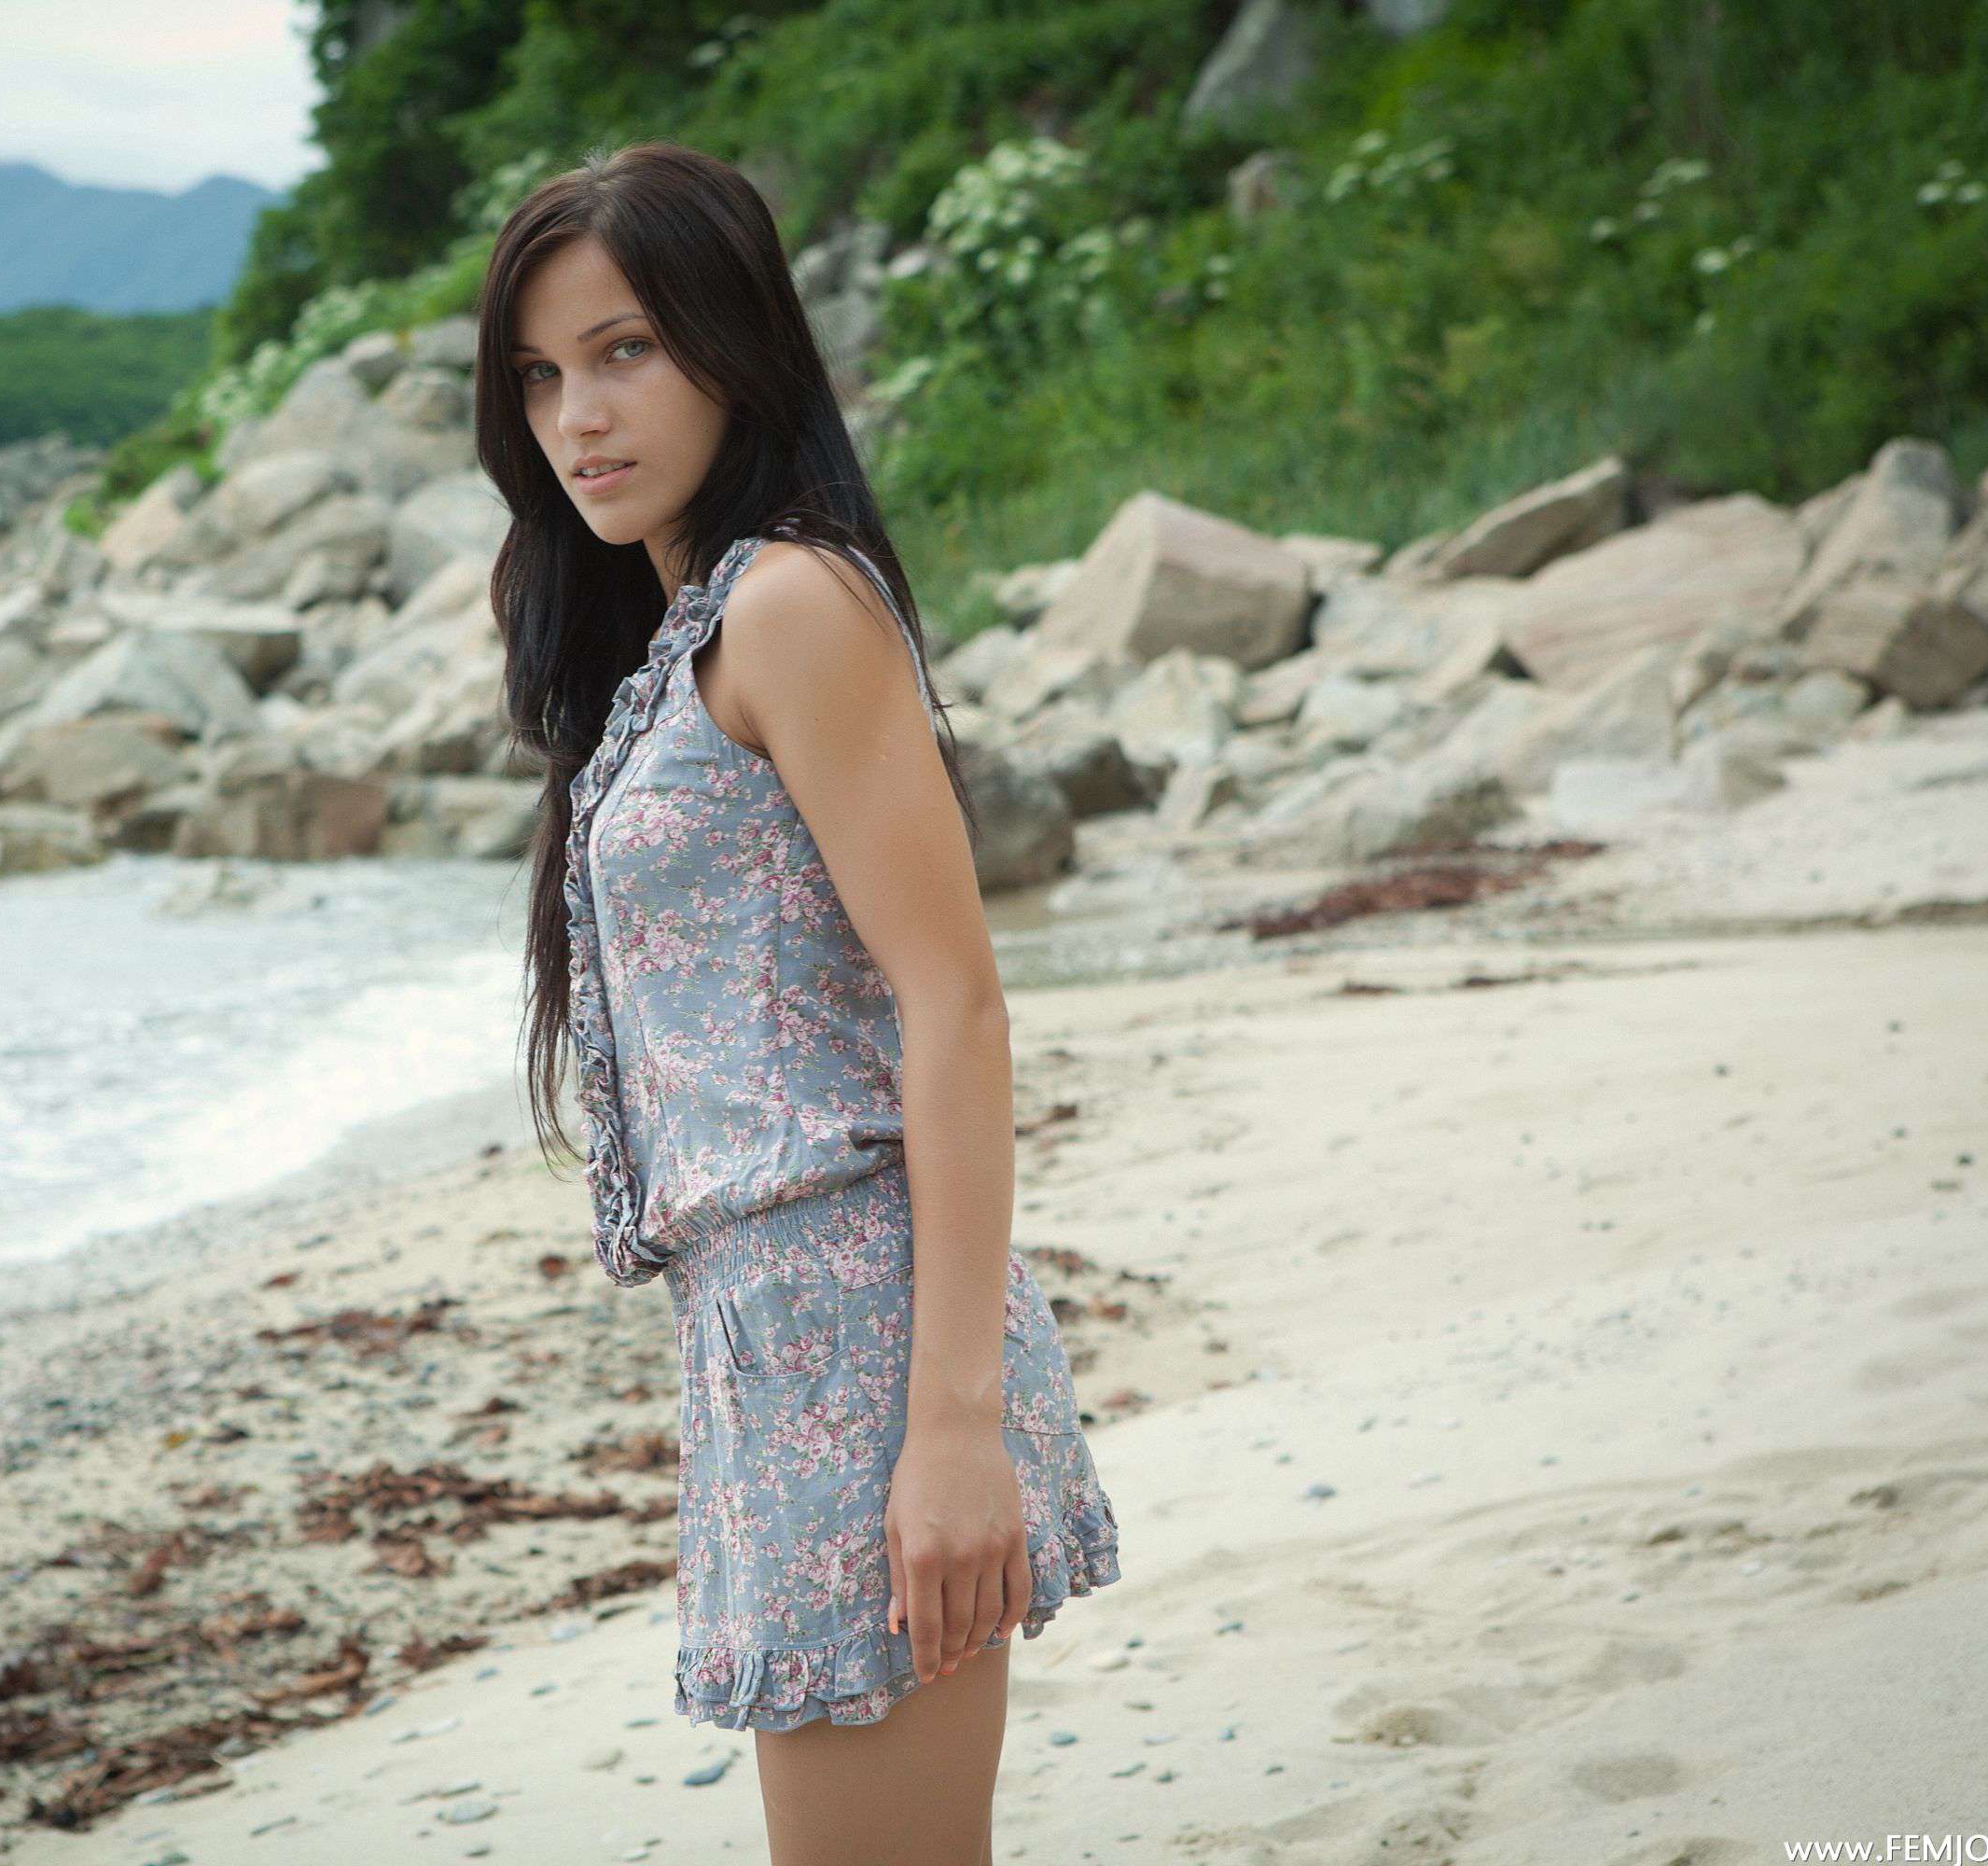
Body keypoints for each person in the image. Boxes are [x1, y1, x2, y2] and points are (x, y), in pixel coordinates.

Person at [479, 140, 1122, 1866]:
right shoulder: (686, 632)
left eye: (624, 350)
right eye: (539, 375)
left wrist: (952, 1428)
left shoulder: (790, 606)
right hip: (766, 1345)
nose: (577, 418)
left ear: (735, 344)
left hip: (871, 1336)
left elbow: (957, 1007)